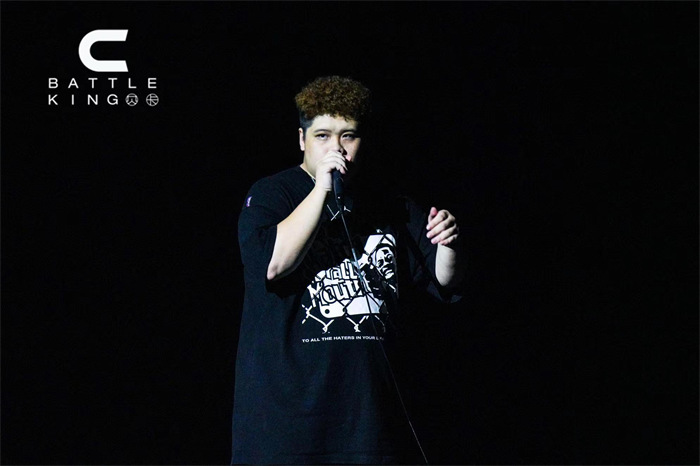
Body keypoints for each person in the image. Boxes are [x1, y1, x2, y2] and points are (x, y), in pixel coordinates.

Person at [232, 76, 463, 464]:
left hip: (369, 426)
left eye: (348, 136)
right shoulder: (273, 194)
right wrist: (321, 190)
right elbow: (273, 263)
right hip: (289, 425)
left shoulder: (391, 204)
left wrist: (449, 243)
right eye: (322, 135)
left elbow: (443, 280)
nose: (336, 148)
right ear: (302, 140)